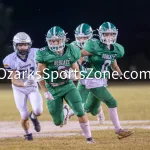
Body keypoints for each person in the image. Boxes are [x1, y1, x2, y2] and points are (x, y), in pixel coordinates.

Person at [35, 26, 95, 143]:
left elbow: (77, 73)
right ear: (48, 41)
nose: (55, 43)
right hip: (52, 88)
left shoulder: (71, 50)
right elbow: (39, 75)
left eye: (57, 40)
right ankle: (64, 111)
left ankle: (89, 138)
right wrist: (45, 92)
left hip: (68, 86)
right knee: (58, 122)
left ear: (63, 40)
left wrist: (73, 76)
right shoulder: (44, 53)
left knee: (80, 111)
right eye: (52, 41)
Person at [81, 22, 133, 139]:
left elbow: (114, 65)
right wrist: (80, 68)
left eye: (111, 34)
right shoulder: (94, 46)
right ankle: (118, 130)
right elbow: (80, 55)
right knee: (112, 102)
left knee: (88, 108)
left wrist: (121, 75)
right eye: (106, 34)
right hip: (92, 79)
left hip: (102, 80)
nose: (109, 36)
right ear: (101, 34)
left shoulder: (115, 49)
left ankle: (68, 111)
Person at [3, 32, 43, 141]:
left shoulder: (36, 53)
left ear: (29, 44)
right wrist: (24, 84)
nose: (23, 47)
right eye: (20, 45)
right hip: (19, 89)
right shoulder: (10, 59)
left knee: (38, 110)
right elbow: (14, 79)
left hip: (33, 86)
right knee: (24, 115)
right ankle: (28, 134)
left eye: (25, 44)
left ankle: (33, 117)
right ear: (15, 46)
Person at [68, 23, 105, 124]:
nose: (82, 40)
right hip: (83, 80)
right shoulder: (73, 46)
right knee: (76, 103)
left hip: (96, 79)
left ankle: (99, 110)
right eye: (80, 38)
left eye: (85, 37)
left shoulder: (97, 45)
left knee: (93, 110)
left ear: (90, 36)